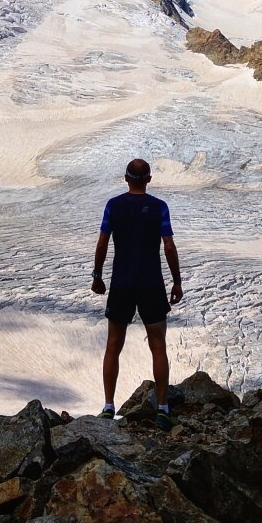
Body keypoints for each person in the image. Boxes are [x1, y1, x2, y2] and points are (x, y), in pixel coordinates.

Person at [91, 157, 183, 430]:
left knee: (113, 345)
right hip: (151, 282)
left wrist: (97, 276)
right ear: (149, 180)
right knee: (158, 346)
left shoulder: (114, 206)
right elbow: (168, 246)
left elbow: (102, 243)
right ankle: (163, 409)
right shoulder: (159, 207)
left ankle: (108, 406)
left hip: (122, 282)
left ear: (126, 178)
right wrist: (177, 281)